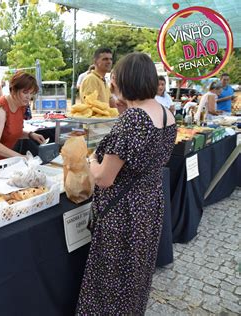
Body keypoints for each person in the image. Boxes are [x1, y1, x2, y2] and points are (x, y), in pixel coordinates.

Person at [75, 52, 176, 315]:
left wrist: (89, 162)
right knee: (135, 274)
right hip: (148, 204)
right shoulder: (166, 113)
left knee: (110, 279)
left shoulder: (133, 120)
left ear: (126, 80)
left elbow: (104, 178)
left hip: (123, 213)